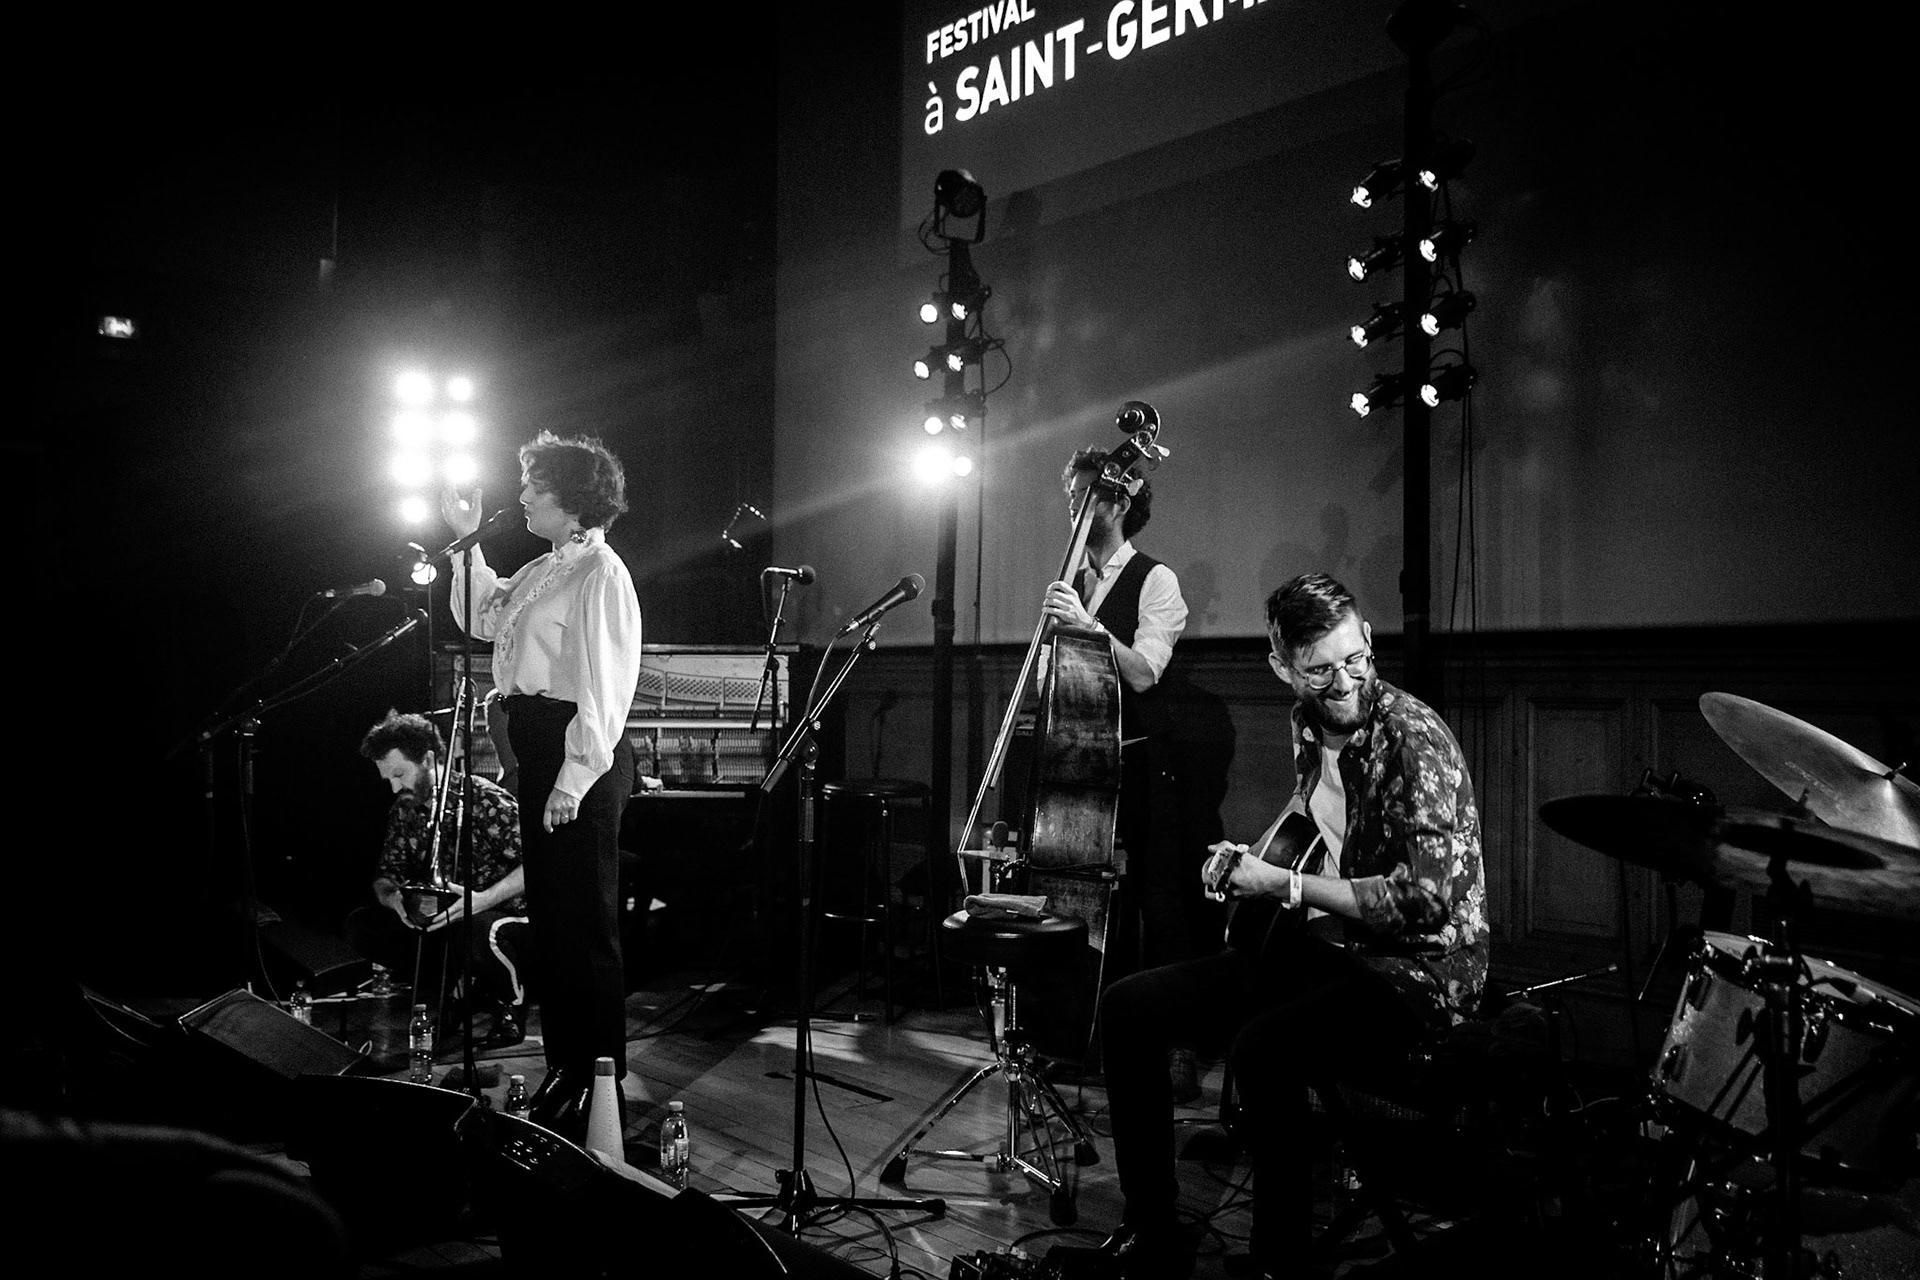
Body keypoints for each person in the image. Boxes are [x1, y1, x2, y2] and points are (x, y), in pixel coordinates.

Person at [1094, 573, 1488, 1278]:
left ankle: (1282, 1264)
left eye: (1353, 660)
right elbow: (1318, 827)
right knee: (1128, 1008)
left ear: (1368, 640)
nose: (1343, 683)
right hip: (1337, 951)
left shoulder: (1413, 738)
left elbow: (1425, 901)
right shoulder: (1307, 723)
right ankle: (1152, 1229)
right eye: (1319, 671)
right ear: (1283, 669)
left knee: (1262, 1049)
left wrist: (1285, 884)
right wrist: (1250, 858)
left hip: (1419, 975)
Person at [441, 431, 644, 1139]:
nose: (522, 494)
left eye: (535, 485)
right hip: (537, 748)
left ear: (572, 496)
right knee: (554, 921)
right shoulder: (544, 569)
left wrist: (575, 776)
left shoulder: (600, 573)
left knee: (587, 925)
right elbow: (481, 616)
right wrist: (466, 542)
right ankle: (565, 1070)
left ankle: (601, 1084)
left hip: (574, 755)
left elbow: (605, 685)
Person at [1039, 447, 1200, 1096]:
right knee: (1084, 901)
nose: (1074, 509)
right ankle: (1085, 1040)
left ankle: (1177, 1050)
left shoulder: (1155, 581)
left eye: (1084, 498)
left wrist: (1085, 625)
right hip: (1081, 762)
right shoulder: (1071, 577)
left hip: (1139, 763)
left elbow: (1143, 671)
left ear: (1118, 502)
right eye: (1071, 497)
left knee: (1157, 908)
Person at [347, 711, 530, 1049]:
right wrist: (394, 899)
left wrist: (483, 899)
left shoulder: (485, 798)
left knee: (476, 929)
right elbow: (386, 874)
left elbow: (537, 864)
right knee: (364, 925)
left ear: (429, 759)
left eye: (400, 774)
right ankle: (454, 988)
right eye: (388, 779)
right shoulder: (405, 808)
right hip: (448, 912)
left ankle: (510, 1004)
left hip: (505, 911)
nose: (394, 787)